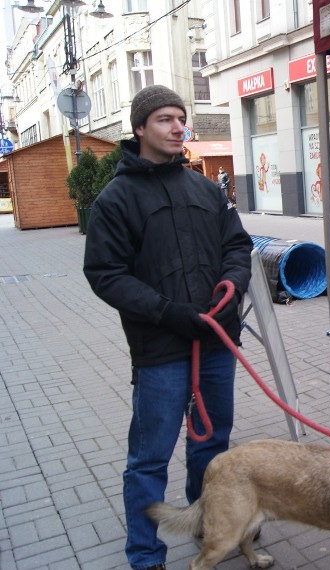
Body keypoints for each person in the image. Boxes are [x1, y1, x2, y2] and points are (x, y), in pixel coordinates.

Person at [83, 85, 253, 570]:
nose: (179, 127)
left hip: (216, 344)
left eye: (181, 118)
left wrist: (231, 288)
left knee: (212, 446)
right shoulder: (116, 200)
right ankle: (144, 554)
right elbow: (105, 274)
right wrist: (167, 311)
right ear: (140, 128)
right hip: (161, 350)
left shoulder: (205, 189)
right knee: (149, 458)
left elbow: (237, 246)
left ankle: (209, 530)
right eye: (165, 119)